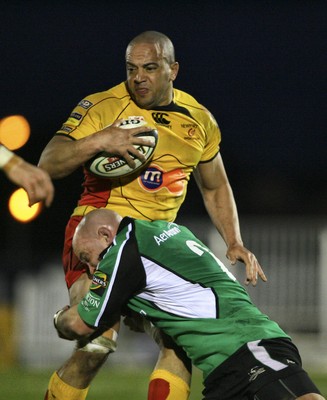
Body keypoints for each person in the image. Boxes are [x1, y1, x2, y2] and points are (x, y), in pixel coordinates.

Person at [38, 31, 265, 400]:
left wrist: (234, 240)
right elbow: (49, 162)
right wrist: (99, 140)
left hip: (157, 244)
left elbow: (214, 186)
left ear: (172, 70)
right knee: (96, 341)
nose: (138, 77)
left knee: (178, 343)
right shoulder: (102, 106)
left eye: (149, 68)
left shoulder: (200, 121)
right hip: (101, 235)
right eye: (131, 69)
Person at [53, 208, 325, 400]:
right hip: (223, 373)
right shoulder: (167, 230)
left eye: (87, 256)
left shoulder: (124, 251)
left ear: (105, 234)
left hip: (247, 347)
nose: (91, 269)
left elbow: (79, 324)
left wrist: (59, 319)